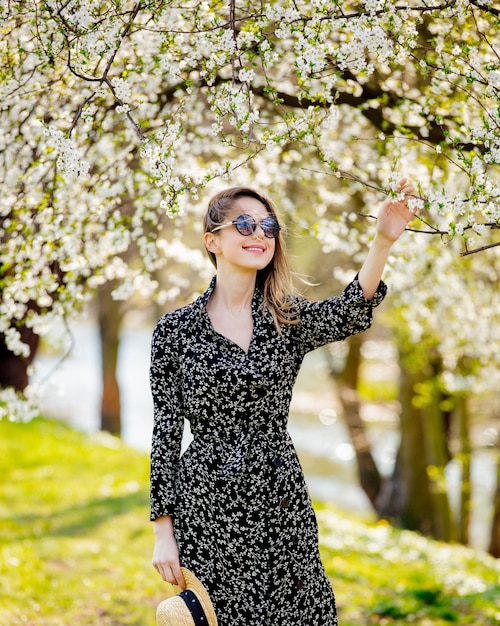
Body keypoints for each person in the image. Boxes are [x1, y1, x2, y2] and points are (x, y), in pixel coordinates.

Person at [150, 179, 416, 626]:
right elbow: (165, 434)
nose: (260, 234)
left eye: (268, 226)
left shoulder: (285, 317)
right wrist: (164, 533)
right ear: (212, 241)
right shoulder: (174, 331)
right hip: (207, 506)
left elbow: (350, 310)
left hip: (279, 498)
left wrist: (384, 240)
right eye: (246, 225)